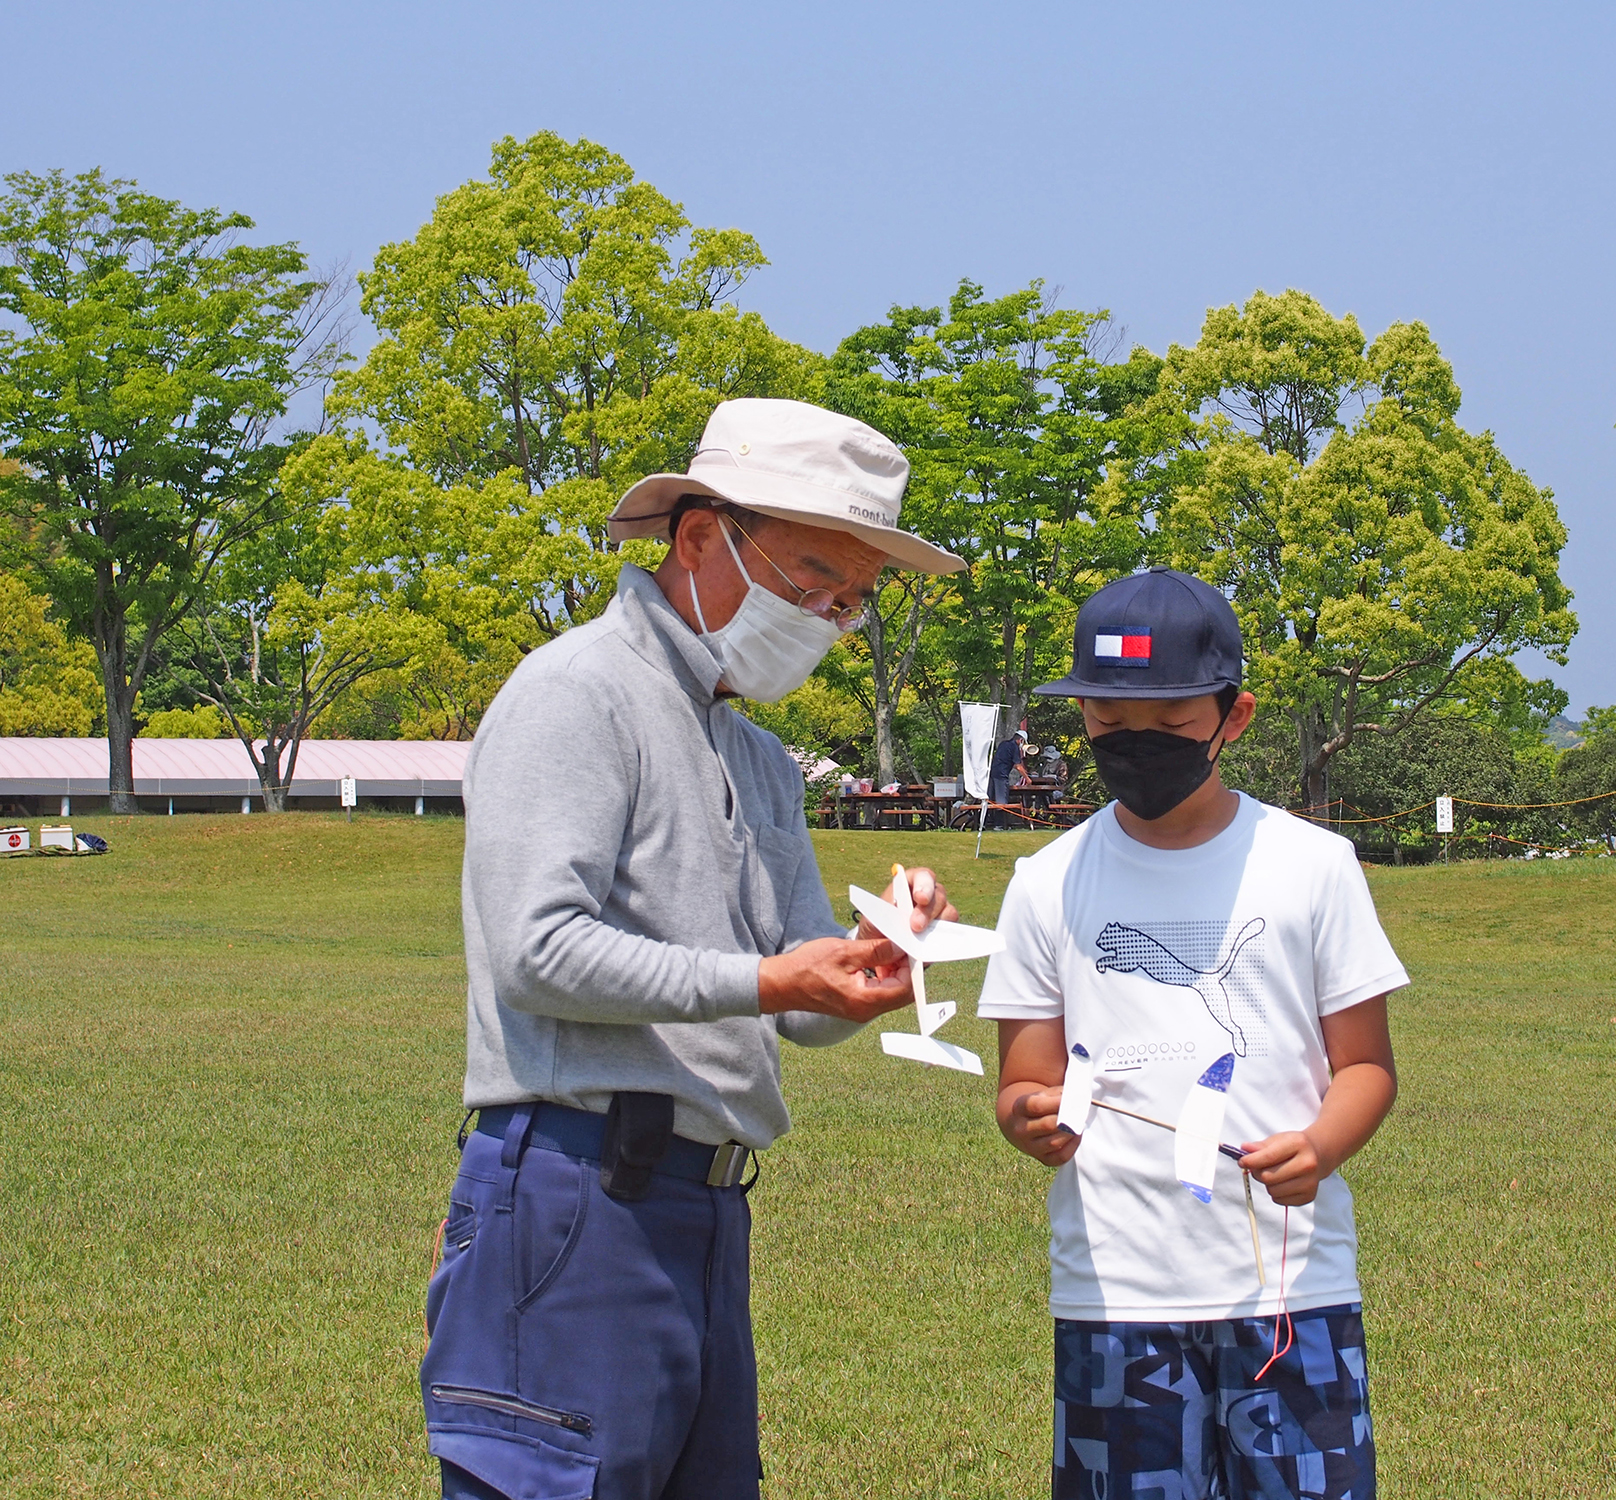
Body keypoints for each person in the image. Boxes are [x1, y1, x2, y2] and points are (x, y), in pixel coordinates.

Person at [421, 398, 966, 1500]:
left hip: (705, 1204)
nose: (825, 614)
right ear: (700, 535)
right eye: (809, 575)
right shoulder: (576, 691)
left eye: (850, 599)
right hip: (574, 1193)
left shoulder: (755, 753)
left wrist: (868, 956)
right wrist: (766, 978)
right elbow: (536, 950)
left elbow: (799, 1007)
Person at [978, 567, 1409, 1500]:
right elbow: (1023, 1084)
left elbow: (1366, 1065)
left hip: (1293, 1294)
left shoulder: (1313, 867)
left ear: (1233, 716)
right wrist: (1031, 1119)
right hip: (1117, 1294)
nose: (1136, 747)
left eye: (1169, 727)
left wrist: (1322, 1144)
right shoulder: (1046, 881)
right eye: (1107, 726)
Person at [988, 726, 1028, 805]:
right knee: (1001, 802)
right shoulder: (1014, 747)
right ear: (1021, 740)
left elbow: (1006, 760)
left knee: (991, 799)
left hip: (991, 773)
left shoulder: (1003, 744)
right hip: (1001, 775)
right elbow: (1018, 766)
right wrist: (1027, 778)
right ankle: (1000, 816)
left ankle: (989, 816)